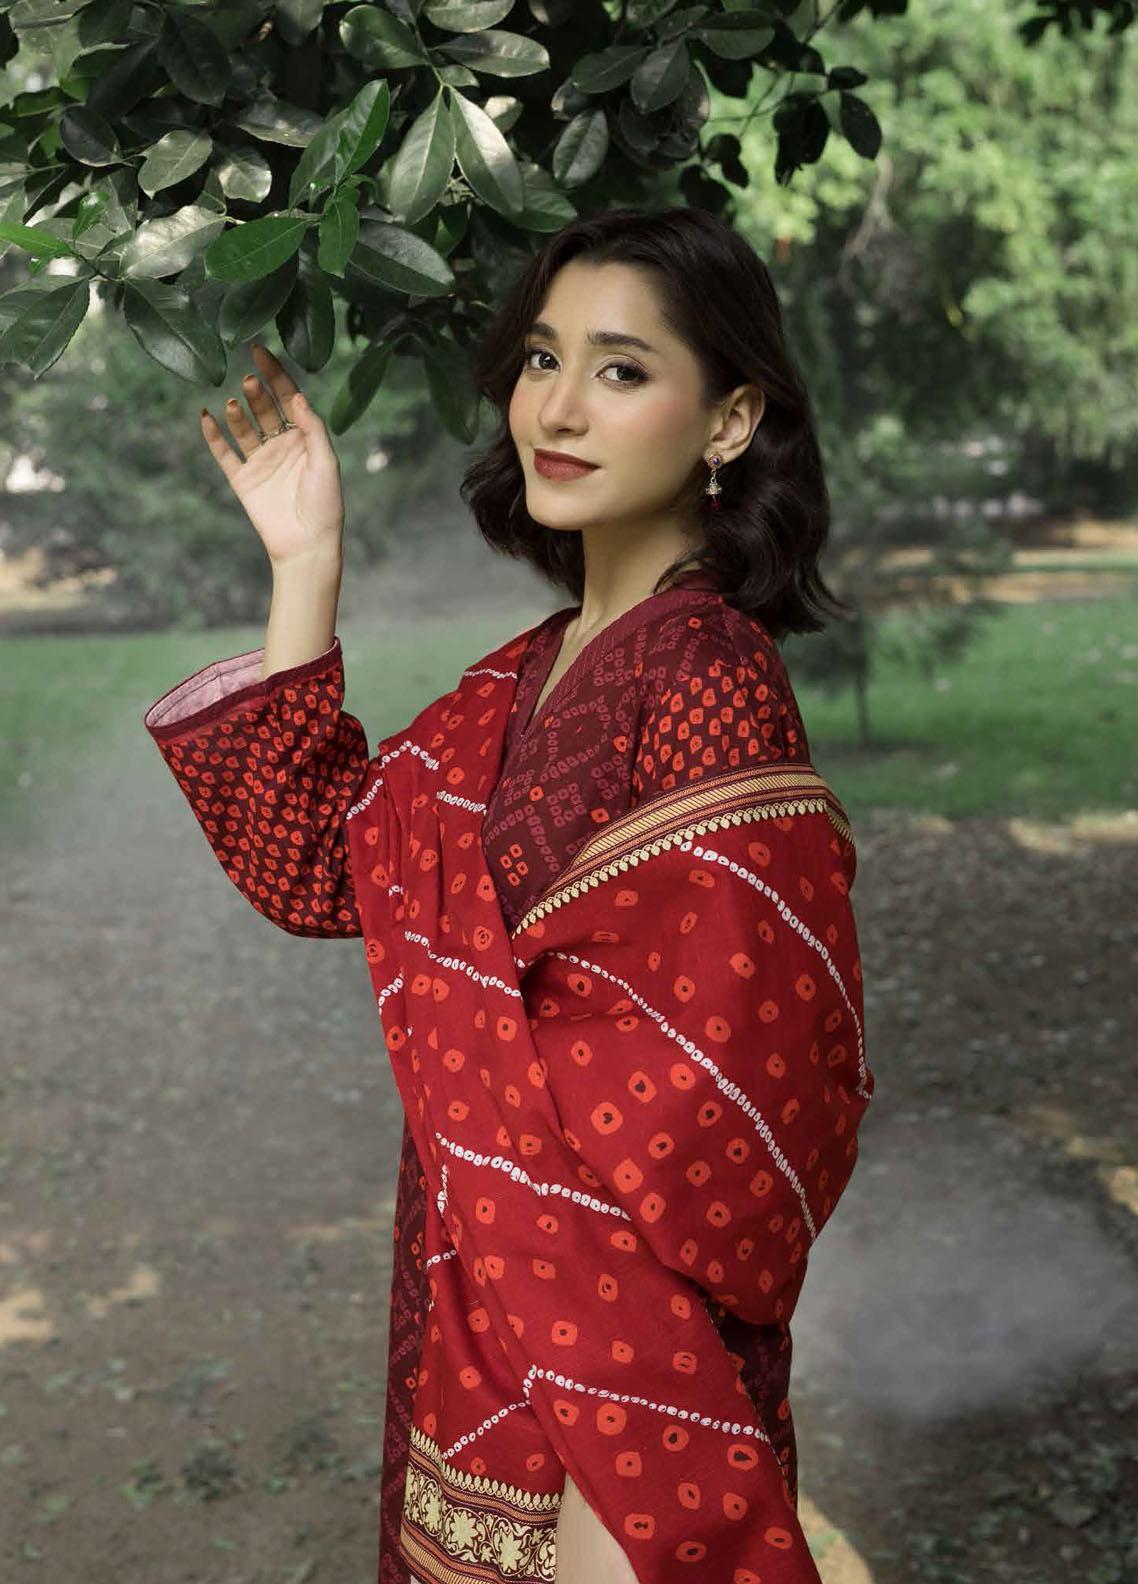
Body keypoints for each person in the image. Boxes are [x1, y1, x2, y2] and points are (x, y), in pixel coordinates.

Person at [143, 206, 874, 1584]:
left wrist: (620, 1457)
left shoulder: (705, 675)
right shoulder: (520, 678)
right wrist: (305, 562)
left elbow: (725, 1090)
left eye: (620, 368)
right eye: (543, 359)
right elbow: (316, 863)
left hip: (623, 1350)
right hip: (477, 1287)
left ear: (729, 421)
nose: (559, 406)